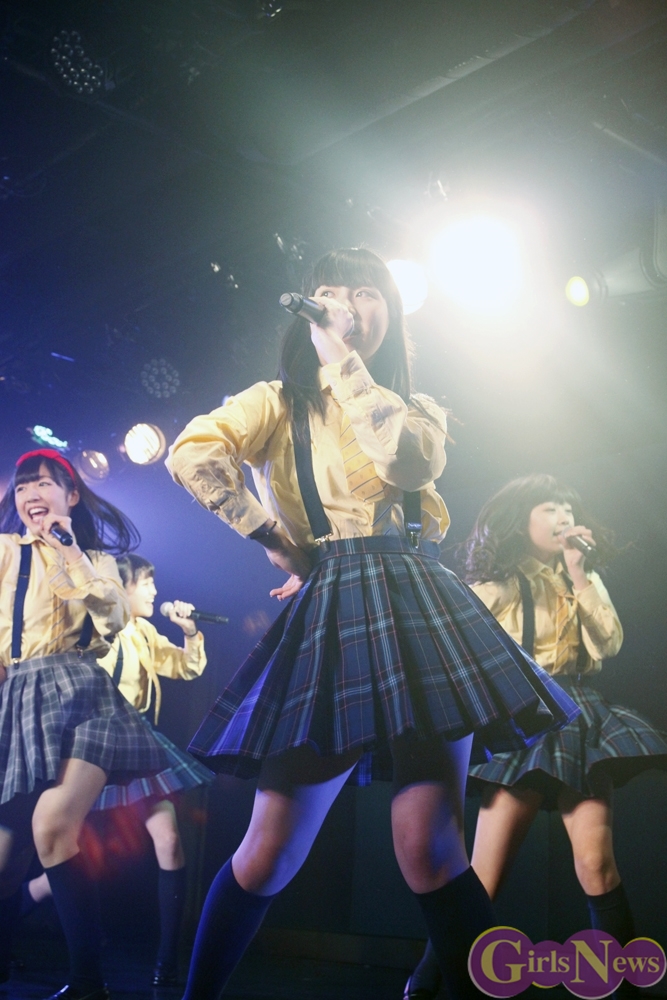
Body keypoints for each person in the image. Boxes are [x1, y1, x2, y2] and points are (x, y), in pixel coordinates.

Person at [167, 248, 579, 1000]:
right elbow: (192, 454)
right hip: (332, 601)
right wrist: (273, 538)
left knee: (430, 845)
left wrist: (345, 366)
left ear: (390, 310)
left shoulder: (417, 409)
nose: (351, 305)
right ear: (306, 310)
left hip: (418, 599)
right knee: (268, 850)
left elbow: (406, 466)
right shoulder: (274, 402)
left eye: (368, 292)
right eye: (333, 292)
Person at [404, 474, 667, 1000]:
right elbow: (448, 639)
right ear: (520, 521)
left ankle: (627, 989)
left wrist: (580, 573)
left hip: (579, 719)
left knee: (596, 864)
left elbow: (609, 644)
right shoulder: (500, 584)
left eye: (568, 507)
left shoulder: (581, 577)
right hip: (525, 722)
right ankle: (425, 984)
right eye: (549, 508)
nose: (563, 516)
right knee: (483, 878)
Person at [0, 449, 170, 1000]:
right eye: (22, 486)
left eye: (43, 483)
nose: (31, 494)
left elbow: (115, 619)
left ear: (71, 495)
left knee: (53, 827)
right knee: (4, 861)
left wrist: (68, 549)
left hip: (83, 697)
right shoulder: (4, 552)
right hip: (17, 698)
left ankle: (88, 984)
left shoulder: (97, 560)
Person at [24, 554, 214, 988]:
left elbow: (186, 667)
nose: (155, 592)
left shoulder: (145, 632)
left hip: (138, 745)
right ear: (121, 587)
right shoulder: (92, 630)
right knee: (72, 858)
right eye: (147, 583)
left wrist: (190, 633)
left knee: (169, 840)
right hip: (93, 748)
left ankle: (167, 964)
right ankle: (15, 912)